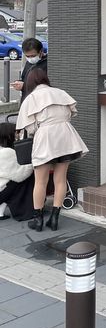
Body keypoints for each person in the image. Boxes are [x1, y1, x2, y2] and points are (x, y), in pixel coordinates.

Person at [16, 69, 88, 232]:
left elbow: (30, 127)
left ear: (30, 82)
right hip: (66, 136)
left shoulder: (32, 98)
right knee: (61, 179)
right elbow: (71, 113)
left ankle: (38, 219)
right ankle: (55, 218)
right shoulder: (61, 93)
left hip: (45, 138)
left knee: (40, 181)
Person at [0, 122, 34, 221]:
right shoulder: (7, 152)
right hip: (3, 191)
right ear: (8, 135)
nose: (18, 135)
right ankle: (25, 211)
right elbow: (20, 175)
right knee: (27, 178)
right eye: (16, 132)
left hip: (2, 188)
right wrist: (33, 164)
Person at [11, 37, 48, 105]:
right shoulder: (29, 63)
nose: (30, 58)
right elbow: (24, 78)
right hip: (27, 101)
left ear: (41, 51)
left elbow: (46, 86)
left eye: (33, 56)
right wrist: (18, 82)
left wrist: (24, 86)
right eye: (27, 56)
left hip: (40, 103)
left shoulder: (48, 64)